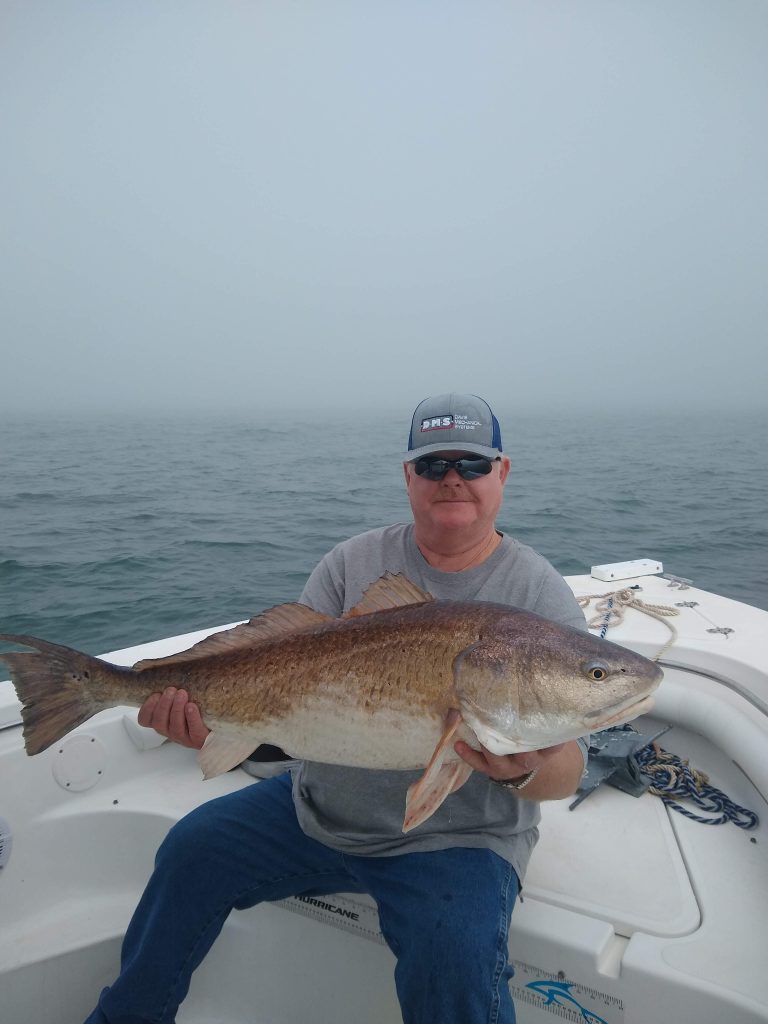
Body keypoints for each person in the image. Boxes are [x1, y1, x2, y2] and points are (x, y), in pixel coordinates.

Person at [85, 392, 588, 1024]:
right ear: (408, 475)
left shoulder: (536, 591)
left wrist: (517, 768)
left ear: (502, 473)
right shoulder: (352, 562)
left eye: (473, 464)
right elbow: (287, 708)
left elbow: (568, 770)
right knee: (191, 850)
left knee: (453, 954)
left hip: (455, 841)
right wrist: (209, 724)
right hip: (317, 810)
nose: (453, 478)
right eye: (433, 465)